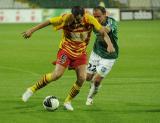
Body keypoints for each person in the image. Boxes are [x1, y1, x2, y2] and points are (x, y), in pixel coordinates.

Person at [21, 6, 115, 111]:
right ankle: (31, 89)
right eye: (75, 18)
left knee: (82, 78)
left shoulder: (90, 19)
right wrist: (31, 30)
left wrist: (109, 44)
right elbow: (48, 22)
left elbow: (102, 32)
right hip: (66, 50)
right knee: (57, 75)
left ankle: (67, 101)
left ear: (83, 15)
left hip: (80, 52)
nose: (77, 20)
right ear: (72, 15)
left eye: (79, 18)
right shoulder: (66, 18)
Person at [86, 6, 118, 105]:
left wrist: (110, 44)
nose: (96, 19)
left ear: (105, 14)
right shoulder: (94, 22)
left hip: (109, 55)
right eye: (94, 16)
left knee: (96, 80)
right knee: (87, 78)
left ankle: (90, 98)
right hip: (96, 53)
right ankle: (95, 85)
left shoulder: (111, 22)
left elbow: (105, 31)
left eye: (99, 16)